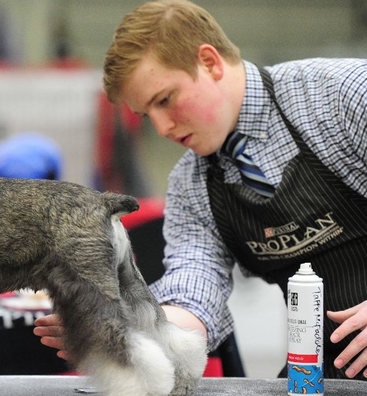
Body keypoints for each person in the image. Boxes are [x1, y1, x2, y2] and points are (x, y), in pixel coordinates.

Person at [34, 0, 367, 380]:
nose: (161, 128)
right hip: (329, 371)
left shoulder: (343, 97)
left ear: (209, 62)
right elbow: (195, 295)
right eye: (147, 114)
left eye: (165, 100)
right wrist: (127, 325)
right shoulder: (192, 185)